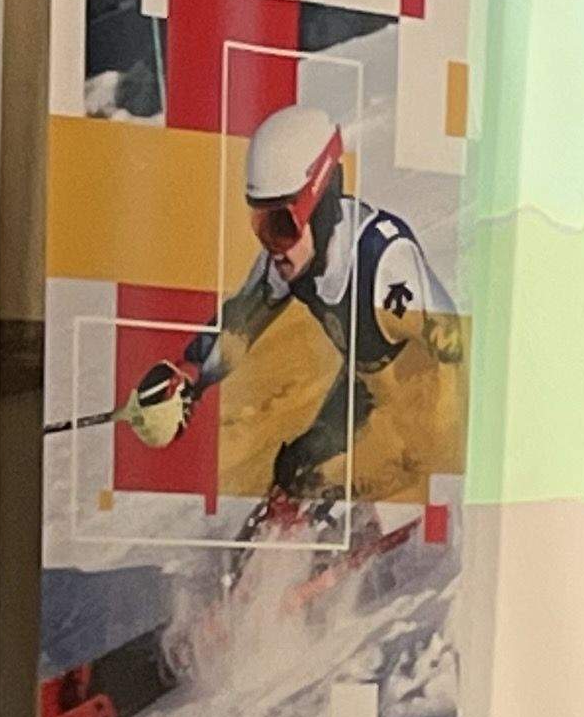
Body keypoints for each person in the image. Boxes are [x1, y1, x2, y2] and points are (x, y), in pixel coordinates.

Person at [114, 101, 455, 512]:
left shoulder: (384, 264)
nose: (272, 246)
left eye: (281, 225)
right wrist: (190, 376)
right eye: (261, 226)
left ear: (321, 206)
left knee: (326, 484)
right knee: (294, 472)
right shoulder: (294, 253)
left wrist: (418, 462)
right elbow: (241, 321)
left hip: (427, 407)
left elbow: (461, 364)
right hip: (366, 385)